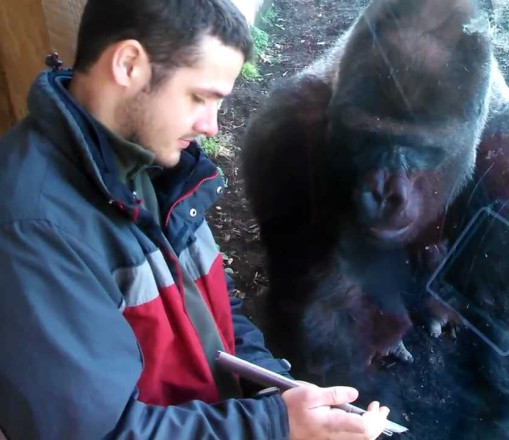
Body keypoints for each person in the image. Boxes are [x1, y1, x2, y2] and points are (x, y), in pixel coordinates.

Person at [0, 0, 390, 438]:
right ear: (129, 65)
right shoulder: (32, 228)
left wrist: (271, 389)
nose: (213, 126)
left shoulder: (153, 164)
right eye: (200, 97)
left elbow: (214, 312)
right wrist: (275, 426)